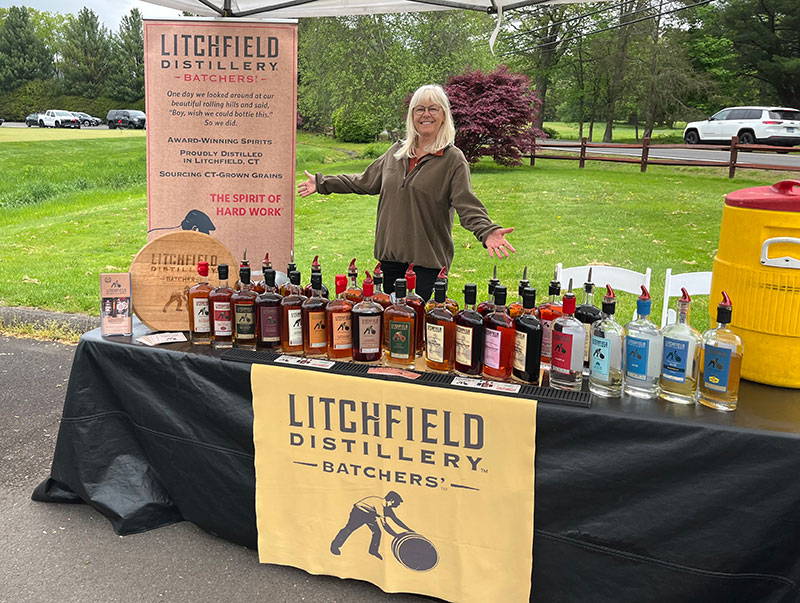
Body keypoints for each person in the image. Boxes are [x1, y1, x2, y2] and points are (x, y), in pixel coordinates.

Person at [297, 84, 515, 300]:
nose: (426, 114)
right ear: (412, 116)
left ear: (443, 115)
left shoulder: (452, 159)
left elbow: (466, 204)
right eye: (419, 109)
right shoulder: (397, 152)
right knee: (387, 326)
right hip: (389, 261)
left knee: (418, 329)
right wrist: (322, 183)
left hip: (427, 266)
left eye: (433, 108)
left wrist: (487, 230)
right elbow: (364, 181)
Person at [330, 491, 412, 560]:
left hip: (370, 514)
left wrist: (409, 530)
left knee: (377, 532)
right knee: (349, 529)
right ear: (392, 500)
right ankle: (335, 545)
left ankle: (373, 550)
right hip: (359, 512)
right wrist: (396, 535)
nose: (398, 505)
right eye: (398, 503)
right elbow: (385, 525)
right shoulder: (380, 504)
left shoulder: (387, 508)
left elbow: (396, 520)